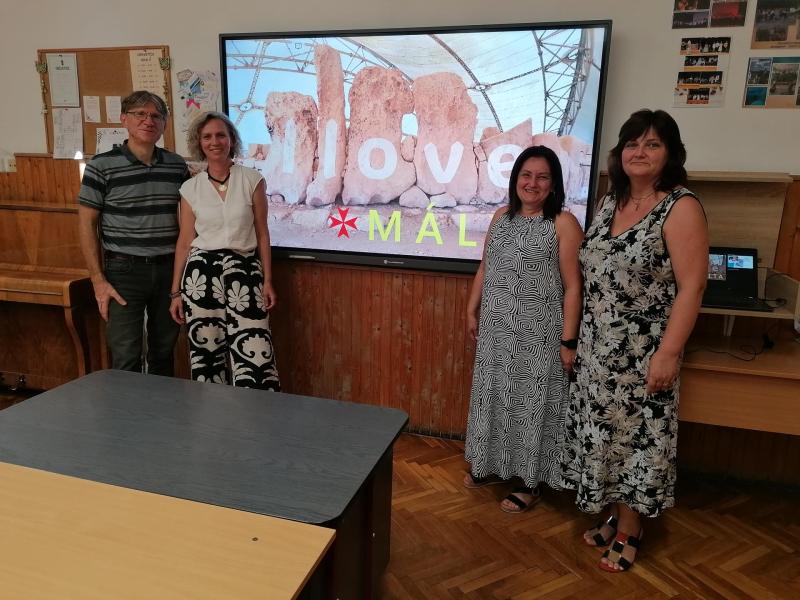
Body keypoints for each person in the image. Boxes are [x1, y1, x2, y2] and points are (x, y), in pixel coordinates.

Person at [561, 109, 708, 572]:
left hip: (644, 355)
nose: (639, 152)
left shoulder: (680, 206)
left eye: (652, 144)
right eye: (632, 143)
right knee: (604, 439)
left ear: (671, 154)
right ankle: (612, 513)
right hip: (597, 351)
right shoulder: (611, 200)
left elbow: (692, 287)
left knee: (637, 445)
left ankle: (631, 527)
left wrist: (669, 352)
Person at [463, 145, 584, 513]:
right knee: (495, 398)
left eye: (542, 177)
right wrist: (471, 308)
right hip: (497, 332)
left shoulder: (563, 223)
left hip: (539, 338)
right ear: (515, 179)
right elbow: (485, 267)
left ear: (554, 184)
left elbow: (574, 286)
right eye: (526, 175)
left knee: (531, 405)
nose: (533, 183)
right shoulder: (501, 216)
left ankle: (530, 482)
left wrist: (569, 340)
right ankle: (491, 465)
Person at [78, 90, 189, 375]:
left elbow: (188, 220)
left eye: (156, 116)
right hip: (123, 271)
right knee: (126, 355)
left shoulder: (177, 166)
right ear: (124, 119)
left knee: (164, 352)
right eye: (140, 114)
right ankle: (125, 407)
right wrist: (98, 280)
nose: (148, 121)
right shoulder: (101, 166)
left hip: (169, 270)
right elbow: (86, 225)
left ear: (164, 124)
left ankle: (160, 405)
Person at [169, 111, 280, 390]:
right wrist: (175, 292)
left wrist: (267, 280)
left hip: (245, 270)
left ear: (232, 139)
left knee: (256, 352)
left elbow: (262, 233)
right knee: (206, 354)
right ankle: (212, 414)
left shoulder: (252, 180)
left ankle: (256, 412)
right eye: (207, 136)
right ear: (199, 142)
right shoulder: (190, 188)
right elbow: (184, 241)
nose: (214, 142)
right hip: (200, 277)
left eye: (221, 135)